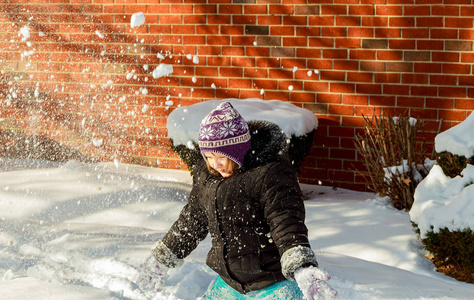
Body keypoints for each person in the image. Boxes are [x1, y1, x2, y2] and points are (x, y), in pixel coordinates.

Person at [150, 102, 337, 299]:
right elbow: (193, 219)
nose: (215, 164)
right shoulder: (207, 178)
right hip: (230, 284)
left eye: (222, 156)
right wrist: (165, 256)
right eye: (209, 156)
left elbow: (285, 222)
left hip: (273, 283)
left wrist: (301, 266)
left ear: (238, 150)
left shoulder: (269, 175)